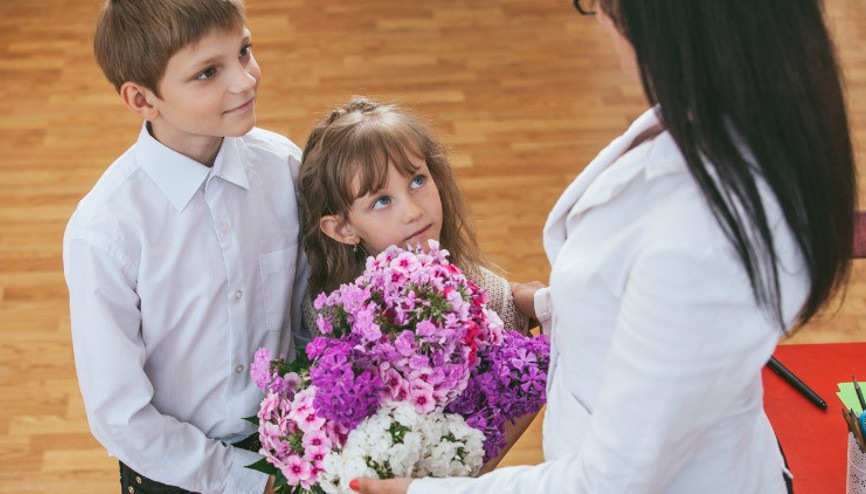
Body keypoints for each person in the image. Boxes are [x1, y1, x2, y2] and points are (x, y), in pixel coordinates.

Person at [352, 0, 857, 493]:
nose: (601, 14)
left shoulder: (704, 240)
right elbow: (649, 297)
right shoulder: (701, 118)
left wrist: (423, 490)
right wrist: (550, 304)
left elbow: (612, 479)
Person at [62, 1, 308, 492]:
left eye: (243, 51)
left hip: (292, 447)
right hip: (172, 471)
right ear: (142, 99)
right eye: (207, 72)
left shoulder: (285, 169)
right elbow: (120, 415)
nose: (244, 81)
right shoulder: (104, 233)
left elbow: (307, 314)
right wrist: (249, 482)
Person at [297, 96, 534, 471]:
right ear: (342, 228)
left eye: (418, 181)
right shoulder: (329, 314)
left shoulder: (477, 288)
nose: (413, 211)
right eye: (381, 201)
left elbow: (501, 424)